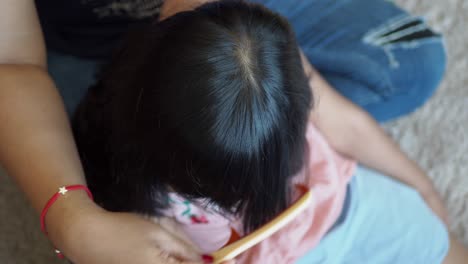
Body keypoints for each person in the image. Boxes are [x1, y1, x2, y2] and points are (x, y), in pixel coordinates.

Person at [0, 0, 464, 264]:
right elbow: (12, 63)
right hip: (72, 51)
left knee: (412, 59)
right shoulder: (155, 201)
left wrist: (419, 184)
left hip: (203, 30)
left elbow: (343, 121)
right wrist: (72, 218)